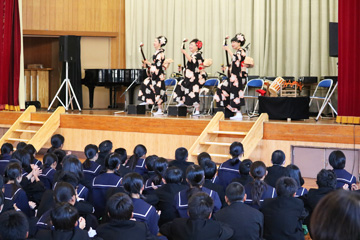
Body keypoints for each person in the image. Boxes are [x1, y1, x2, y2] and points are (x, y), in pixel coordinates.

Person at [160, 192, 233, 240]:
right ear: (210, 215)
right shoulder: (215, 227)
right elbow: (230, 231)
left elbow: (163, 228)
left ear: (188, 212)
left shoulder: (177, 224)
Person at [215, 33, 247, 120]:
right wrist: (226, 68)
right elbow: (233, 65)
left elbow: (236, 59)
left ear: (239, 43)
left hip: (238, 77)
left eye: (234, 42)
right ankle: (232, 109)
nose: (233, 44)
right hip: (233, 76)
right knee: (221, 88)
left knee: (235, 93)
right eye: (232, 42)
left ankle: (238, 112)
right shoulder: (237, 52)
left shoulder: (242, 51)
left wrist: (228, 49)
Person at [174, 38, 208, 116]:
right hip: (191, 76)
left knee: (194, 91)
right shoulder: (192, 55)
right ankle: (181, 101)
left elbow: (193, 62)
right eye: (189, 45)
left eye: (192, 45)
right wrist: (182, 68)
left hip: (197, 77)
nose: (190, 46)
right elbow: (190, 67)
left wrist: (185, 53)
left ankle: (197, 110)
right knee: (180, 84)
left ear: (197, 46)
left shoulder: (198, 54)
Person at [138, 36, 168, 115]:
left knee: (158, 91)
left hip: (158, 75)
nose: (154, 43)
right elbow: (154, 65)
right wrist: (147, 65)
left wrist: (148, 64)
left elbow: (157, 65)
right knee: (146, 83)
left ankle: (160, 109)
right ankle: (147, 100)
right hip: (155, 74)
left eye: (155, 41)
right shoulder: (157, 52)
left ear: (160, 43)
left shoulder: (160, 54)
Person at [91, 153, 123, 218]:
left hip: (96, 214)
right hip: (112, 215)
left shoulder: (95, 179)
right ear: (118, 166)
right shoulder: (120, 181)